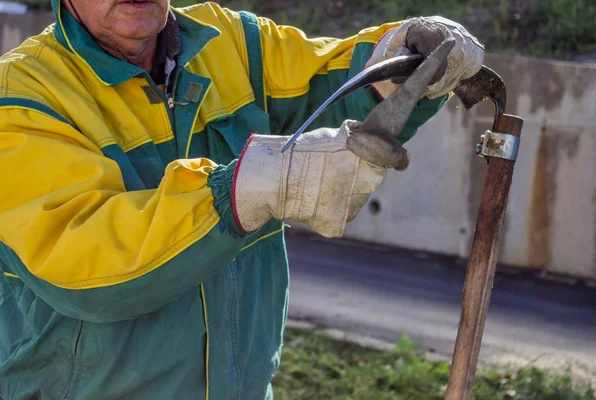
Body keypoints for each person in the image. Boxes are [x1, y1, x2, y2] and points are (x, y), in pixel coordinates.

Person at [0, 0, 483, 398]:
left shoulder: (232, 42)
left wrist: (400, 57)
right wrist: (241, 193)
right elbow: (81, 261)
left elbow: (332, 78)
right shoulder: (23, 94)